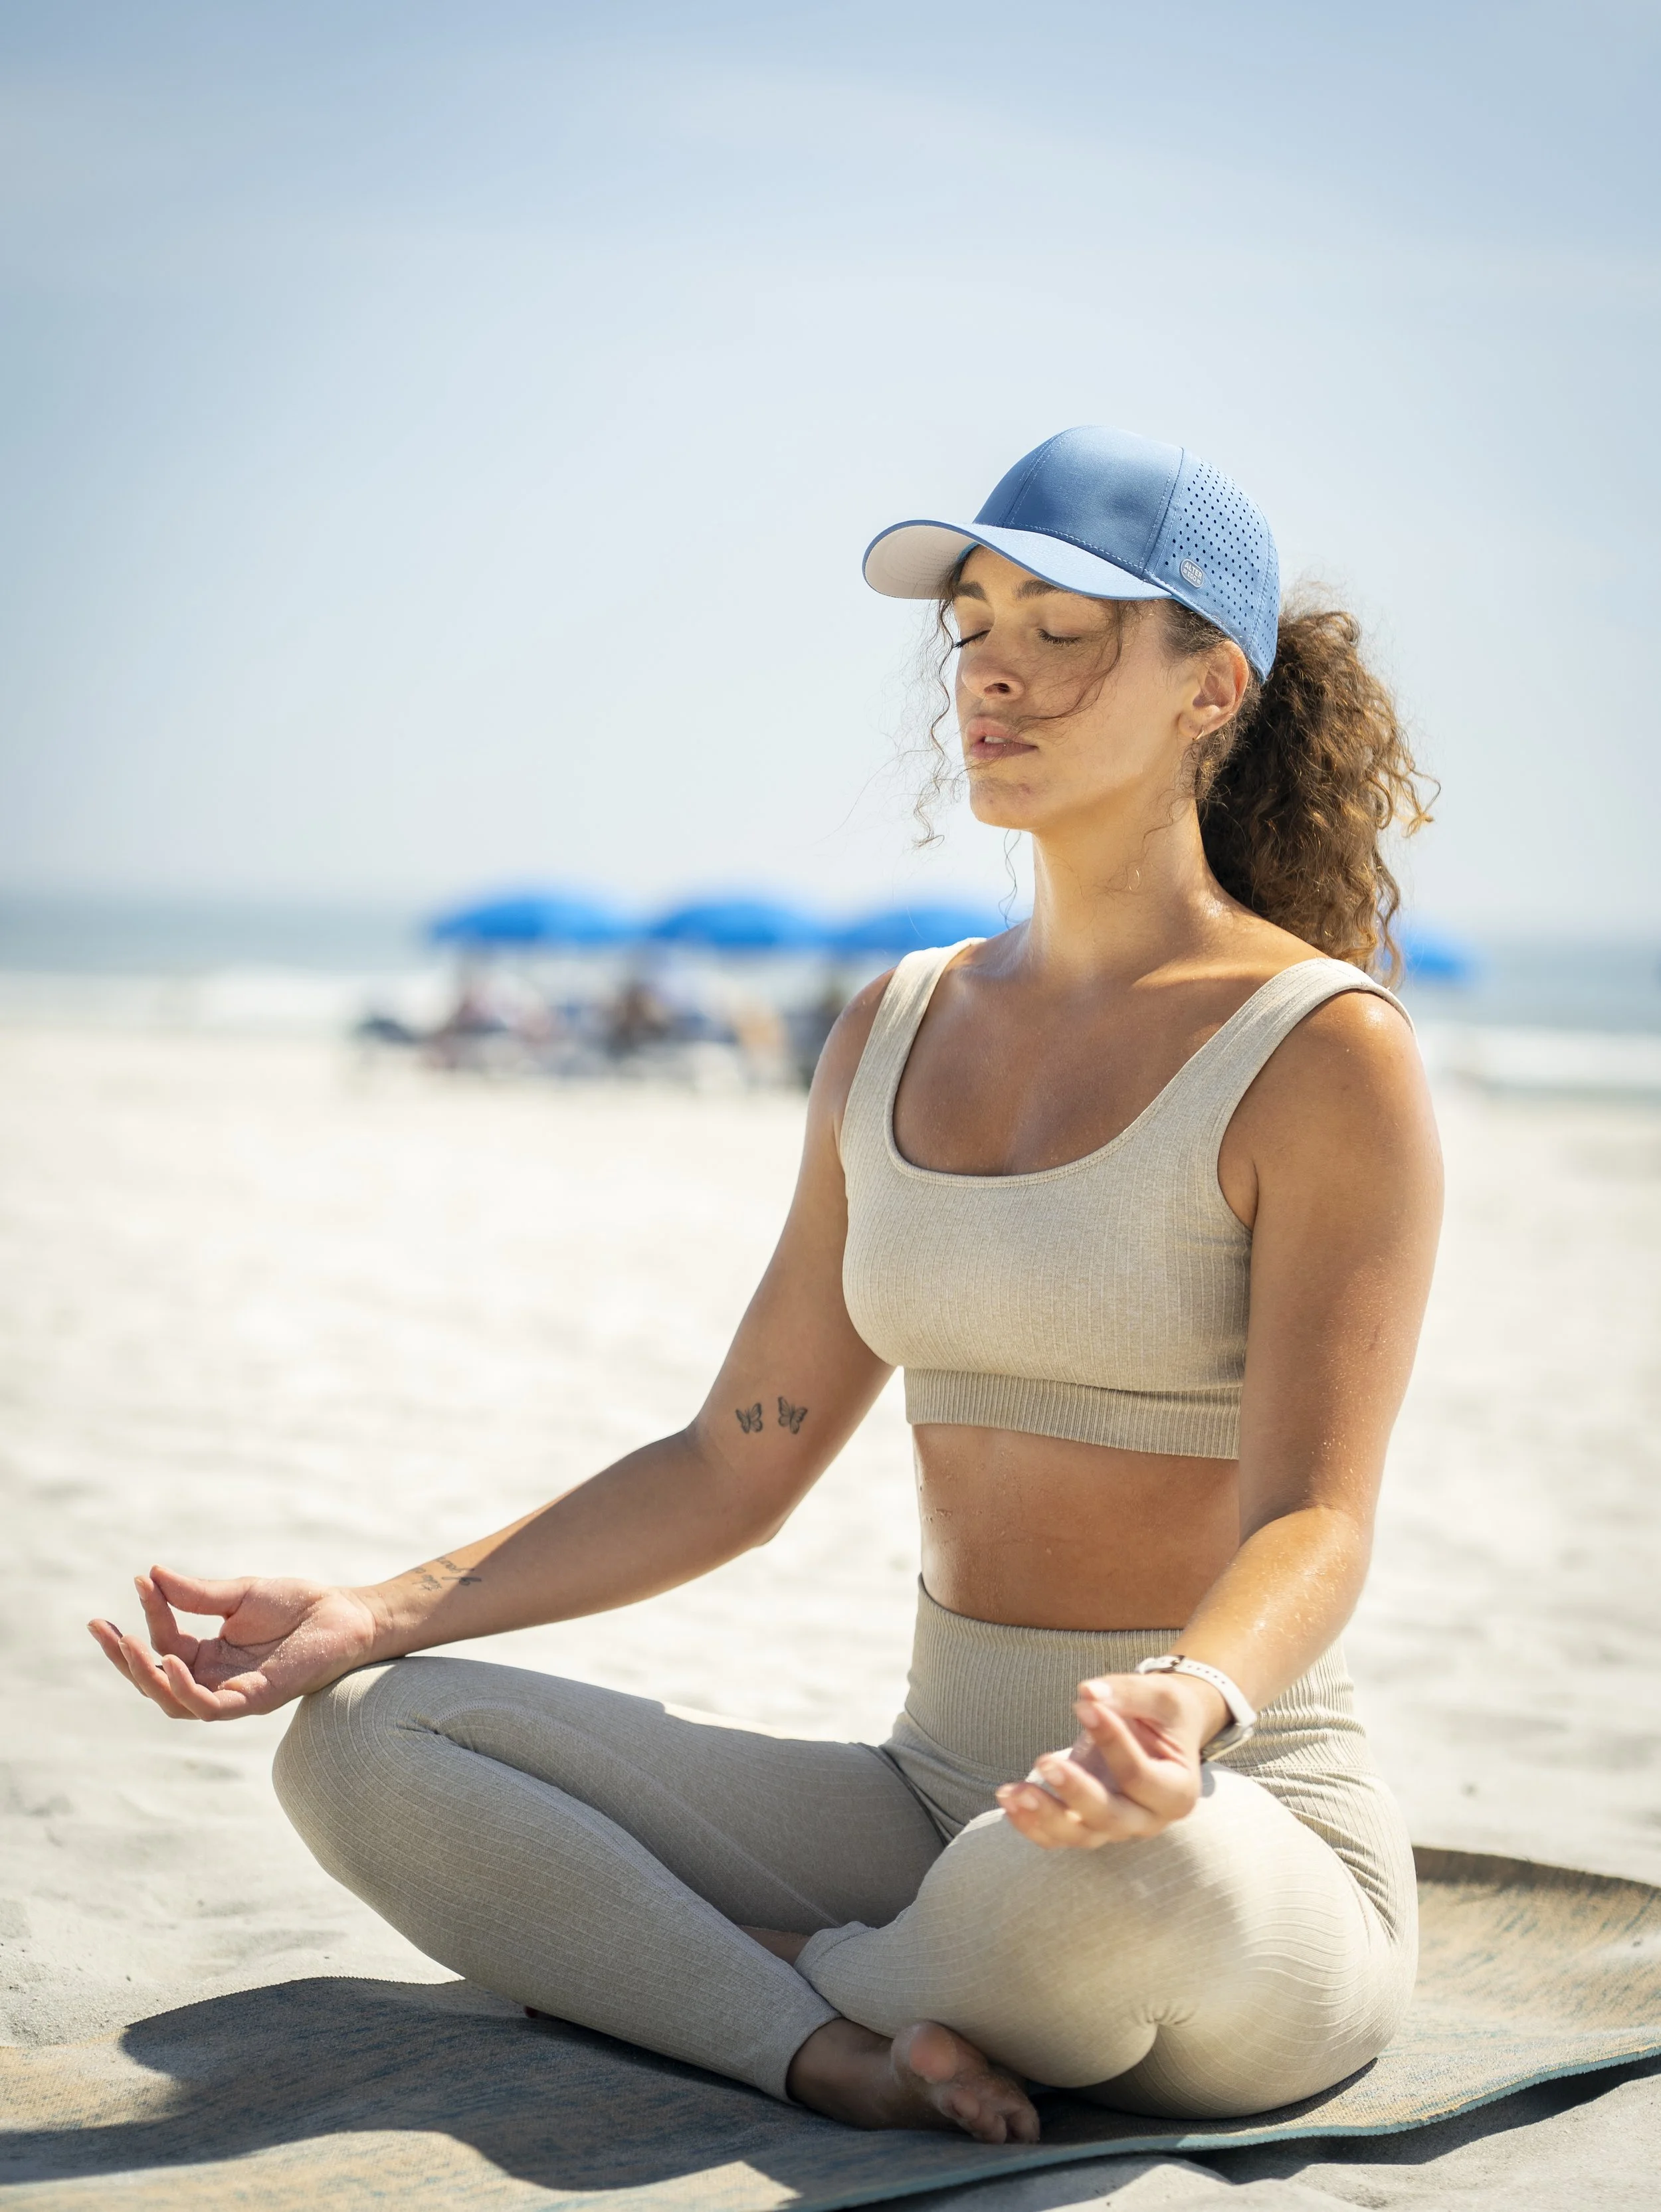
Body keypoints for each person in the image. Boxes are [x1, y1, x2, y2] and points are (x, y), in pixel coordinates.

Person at [89, 426, 1442, 2146]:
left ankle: (766, 1965)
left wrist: (1188, 1701)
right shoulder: (892, 1029)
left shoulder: (1320, 1052)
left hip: (1225, 1816)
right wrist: (379, 1609)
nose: (995, 675)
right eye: (972, 625)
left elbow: (1315, 1518)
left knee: (1110, 1876)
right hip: (931, 1790)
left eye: (1063, 629)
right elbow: (736, 1459)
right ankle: (830, 2044)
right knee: (368, 1741)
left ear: (1209, 686)